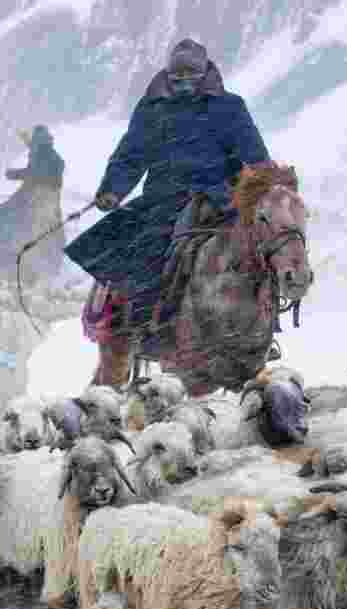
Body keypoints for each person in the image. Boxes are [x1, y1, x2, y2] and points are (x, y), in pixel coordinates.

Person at [65, 38, 271, 388]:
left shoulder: (230, 108)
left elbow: (254, 154)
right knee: (137, 254)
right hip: (163, 201)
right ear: (168, 75)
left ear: (206, 73)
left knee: (262, 253)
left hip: (221, 203)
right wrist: (112, 190)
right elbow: (131, 155)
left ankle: (260, 330)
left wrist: (264, 182)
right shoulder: (152, 108)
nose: (185, 83)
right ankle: (144, 326)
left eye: (192, 75)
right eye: (179, 77)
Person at [0, 125, 66, 287]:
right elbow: (38, 166)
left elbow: (36, 171)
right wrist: (25, 139)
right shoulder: (47, 155)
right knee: (5, 232)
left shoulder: (45, 158)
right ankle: (14, 275)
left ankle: (4, 275)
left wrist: (14, 174)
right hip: (32, 206)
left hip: (32, 207)